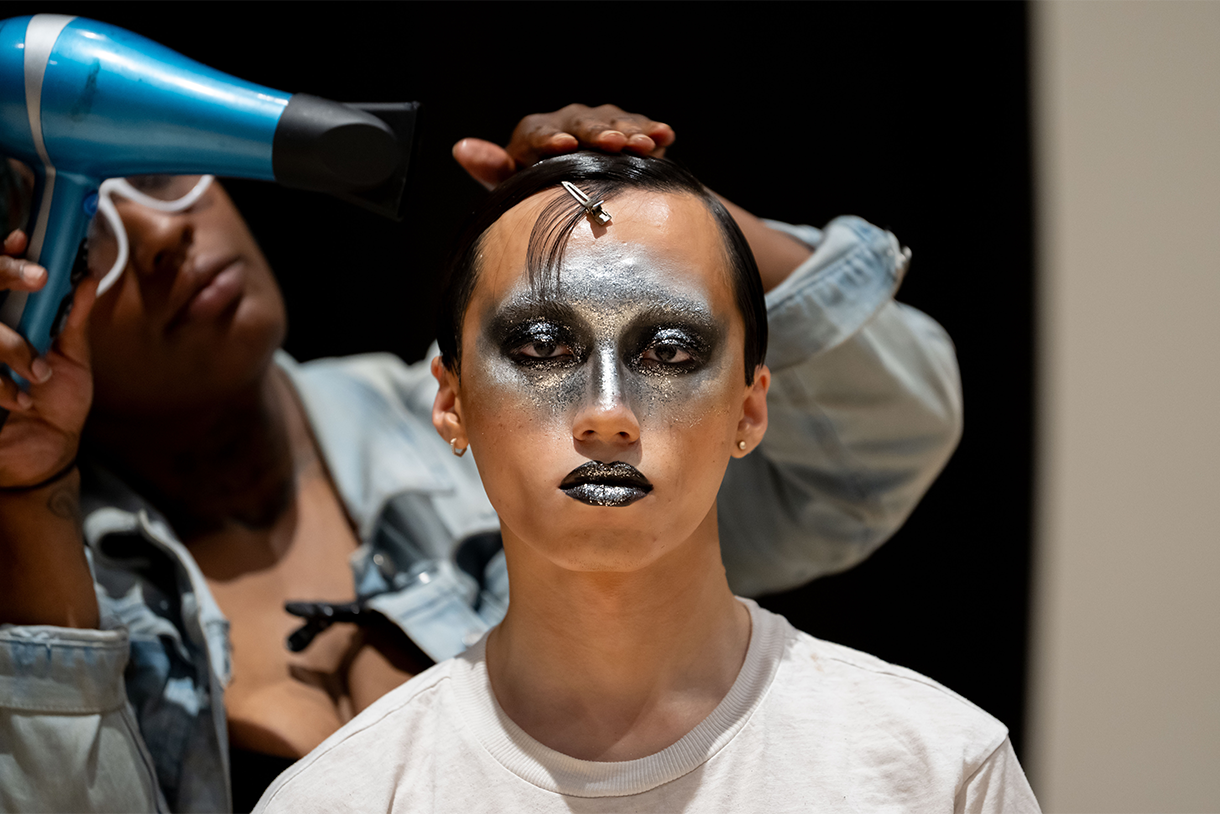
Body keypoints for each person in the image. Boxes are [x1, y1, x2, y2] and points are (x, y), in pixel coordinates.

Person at [0, 108, 962, 814]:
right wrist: (33, 501)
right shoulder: (48, 584)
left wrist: (665, 225)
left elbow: (885, 442)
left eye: (165, 175)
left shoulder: (934, 759)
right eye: (86, 240)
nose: (164, 235)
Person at [254, 152, 1033, 813]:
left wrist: (675, 201)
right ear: (452, 403)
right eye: (540, 348)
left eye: (668, 352)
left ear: (750, 408)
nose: (606, 415)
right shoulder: (340, 798)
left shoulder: (935, 772)